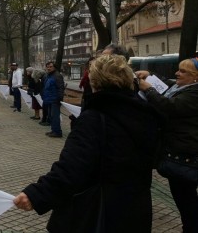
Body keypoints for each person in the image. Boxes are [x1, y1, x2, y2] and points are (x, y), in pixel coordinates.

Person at [14, 54, 161, 232]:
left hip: (98, 212)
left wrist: (37, 194)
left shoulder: (94, 118)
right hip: (136, 210)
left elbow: (72, 168)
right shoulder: (146, 114)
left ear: (95, 81)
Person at [136, 57, 198, 233]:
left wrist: (149, 90)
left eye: (183, 71)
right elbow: (169, 84)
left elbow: (170, 106)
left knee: (186, 200)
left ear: (196, 77)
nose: (177, 73)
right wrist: (151, 76)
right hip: (180, 151)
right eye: (178, 69)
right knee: (184, 198)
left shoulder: (194, 93)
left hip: (184, 156)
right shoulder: (184, 87)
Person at [40, 62, 65, 137]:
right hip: (49, 99)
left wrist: (59, 98)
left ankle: (57, 132)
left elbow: (61, 88)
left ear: (54, 67)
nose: (48, 68)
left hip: (55, 99)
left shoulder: (57, 76)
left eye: (50, 67)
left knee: (55, 116)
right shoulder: (48, 75)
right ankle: (53, 130)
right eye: (47, 67)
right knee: (51, 116)